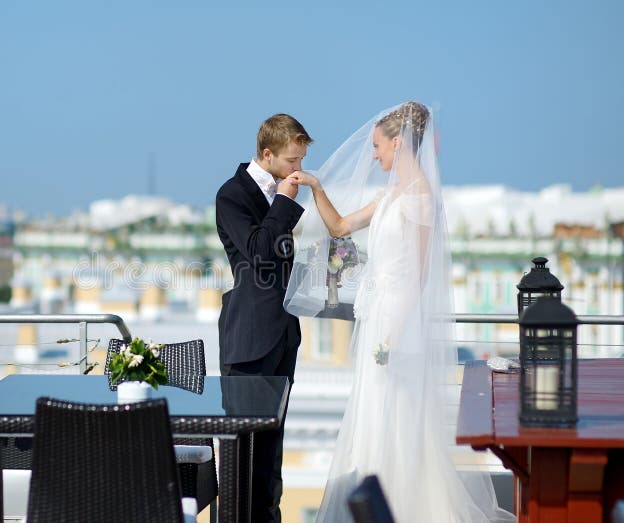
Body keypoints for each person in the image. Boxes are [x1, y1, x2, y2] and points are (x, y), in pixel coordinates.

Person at [285, 102, 515, 522]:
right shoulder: (391, 195)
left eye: (377, 146)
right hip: (378, 318)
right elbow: (339, 227)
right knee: (373, 411)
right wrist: (317, 188)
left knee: (399, 415)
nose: (373, 155)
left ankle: (406, 507)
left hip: (397, 324)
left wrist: (394, 334)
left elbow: (419, 276)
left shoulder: (421, 200)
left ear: (398, 142)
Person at [215, 113, 312, 522]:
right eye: (293, 161)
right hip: (249, 337)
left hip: (283, 334)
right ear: (267, 154)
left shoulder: (285, 192)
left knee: (272, 456)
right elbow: (257, 251)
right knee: (243, 457)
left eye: (302, 161)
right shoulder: (232, 195)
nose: (299, 170)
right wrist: (286, 203)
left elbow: (285, 256)